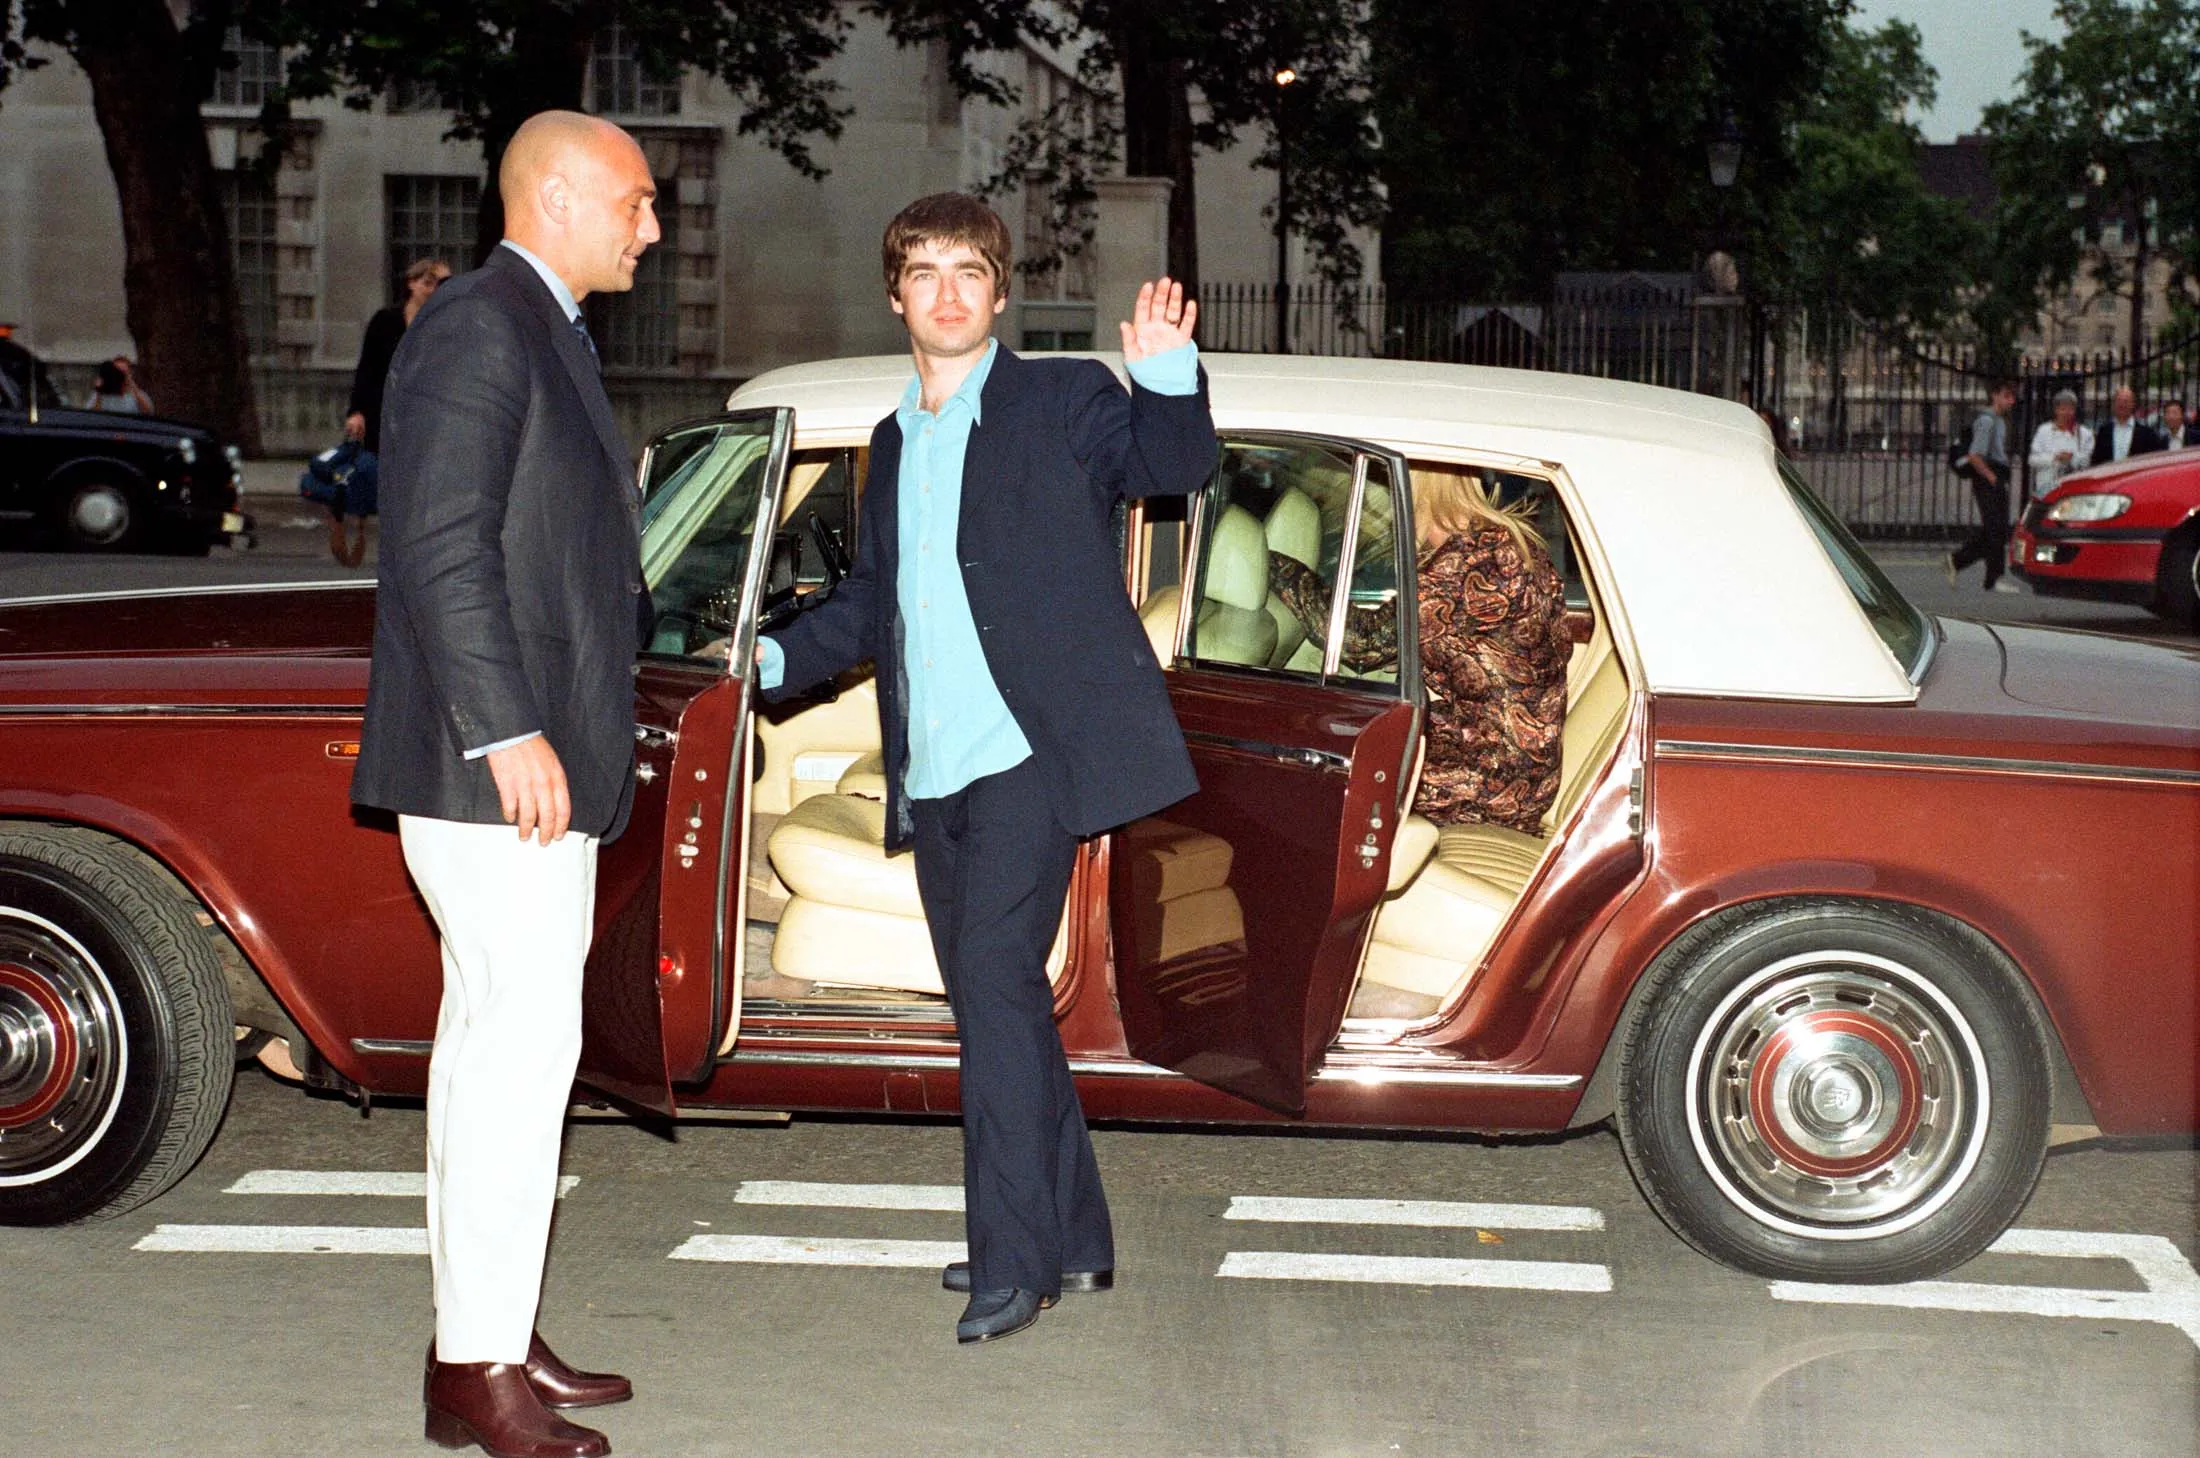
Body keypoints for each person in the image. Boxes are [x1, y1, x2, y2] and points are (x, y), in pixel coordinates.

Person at [757, 193, 1215, 1346]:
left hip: (1031, 756)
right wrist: (758, 658)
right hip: (936, 768)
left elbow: (1176, 466)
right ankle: (1073, 1233)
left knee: (997, 999)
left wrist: (1167, 374)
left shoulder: (1063, 401)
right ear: (895, 296)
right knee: (993, 1000)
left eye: (970, 272)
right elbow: (872, 604)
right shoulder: (892, 439)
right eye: (926, 274)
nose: (949, 293)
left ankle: (1018, 1264)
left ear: (1001, 295)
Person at [350, 110, 660, 1458]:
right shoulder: (483, 323)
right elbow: (436, 543)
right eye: (638, 203)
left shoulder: (539, 326)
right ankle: (477, 1372)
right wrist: (503, 727)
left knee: (506, 1058)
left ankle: (488, 1331)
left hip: (531, 764)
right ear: (560, 199)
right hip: (499, 773)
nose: (653, 226)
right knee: (513, 1057)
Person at [1266, 466, 1568, 832]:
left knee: (1316, 775)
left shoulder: (1470, 563)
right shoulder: (1501, 542)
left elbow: (1360, 644)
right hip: (1520, 765)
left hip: (1493, 779)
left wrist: (1269, 564)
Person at [335, 256, 451, 565]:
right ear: (412, 284)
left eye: (442, 284)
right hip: (384, 415)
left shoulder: (447, 324)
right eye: (429, 282)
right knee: (386, 480)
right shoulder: (385, 321)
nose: (435, 289)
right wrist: (356, 410)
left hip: (428, 418)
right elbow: (368, 369)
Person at [1946, 380, 2018, 592]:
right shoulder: (1987, 421)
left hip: (1995, 475)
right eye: (2006, 396)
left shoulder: (2000, 421)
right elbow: (1975, 455)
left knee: (1996, 529)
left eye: (2012, 397)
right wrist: (1990, 476)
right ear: (1994, 396)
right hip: (1988, 477)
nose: (2010, 401)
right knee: (1996, 528)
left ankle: (1959, 562)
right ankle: (1992, 577)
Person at [2026, 389, 2094, 498]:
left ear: (2075, 410)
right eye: (2062, 409)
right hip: (2046, 488)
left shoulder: (2085, 434)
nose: (2066, 413)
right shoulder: (2044, 430)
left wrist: (2071, 458)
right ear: (2056, 410)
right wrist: (2054, 458)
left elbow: (2087, 462)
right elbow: (2032, 459)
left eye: (2070, 409)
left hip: (2072, 489)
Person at [2088, 385, 2165, 465]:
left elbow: (2153, 461)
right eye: (2119, 401)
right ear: (2113, 404)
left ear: (2133, 404)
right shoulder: (2104, 431)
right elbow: (2096, 461)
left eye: (2126, 401)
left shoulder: (2146, 434)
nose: (2122, 404)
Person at [83, 356, 152, 414]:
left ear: (130, 373)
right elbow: (91, 416)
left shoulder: (136, 395)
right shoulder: (100, 395)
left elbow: (148, 412)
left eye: (122, 372)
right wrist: (99, 391)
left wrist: (131, 384)